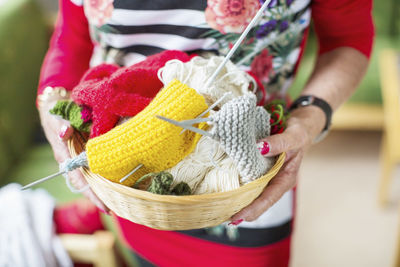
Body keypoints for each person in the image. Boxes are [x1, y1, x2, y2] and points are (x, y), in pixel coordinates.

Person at [37, 0, 374, 266]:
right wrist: (51, 100)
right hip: (131, 184)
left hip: (244, 187)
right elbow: (72, 35)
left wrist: (309, 117)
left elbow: (348, 40)